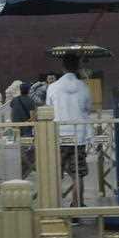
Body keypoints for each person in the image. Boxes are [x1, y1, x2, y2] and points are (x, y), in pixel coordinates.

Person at [46, 54, 91, 207]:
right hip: (78, 136)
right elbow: (87, 109)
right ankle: (77, 207)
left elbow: (48, 110)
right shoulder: (84, 87)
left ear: (63, 67)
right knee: (77, 174)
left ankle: (55, 208)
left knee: (56, 172)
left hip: (59, 134)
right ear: (78, 67)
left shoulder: (52, 87)